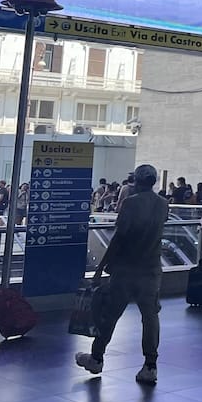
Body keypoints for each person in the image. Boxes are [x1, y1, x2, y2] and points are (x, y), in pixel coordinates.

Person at [76, 165, 168, 385]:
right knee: (150, 316)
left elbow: (119, 238)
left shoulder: (130, 203)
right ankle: (150, 365)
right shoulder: (163, 205)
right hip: (152, 269)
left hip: (126, 269)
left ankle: (97, 357)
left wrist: (101, 267)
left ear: (136, 181)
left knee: (111, 314)